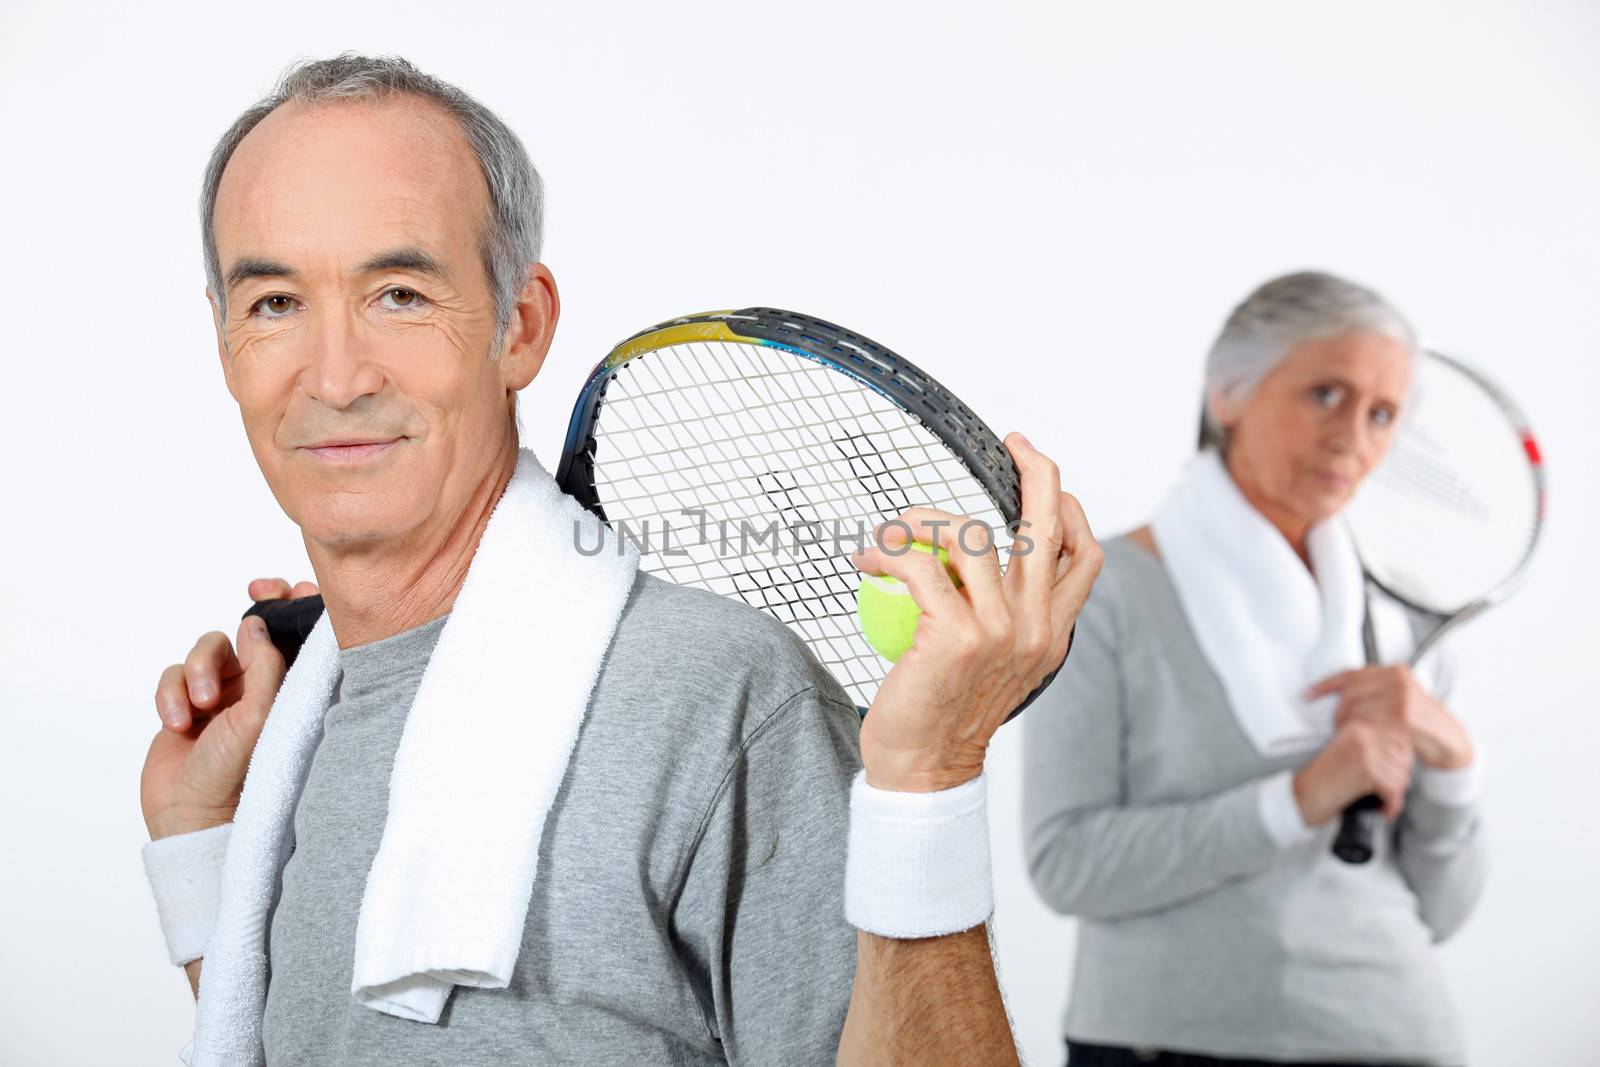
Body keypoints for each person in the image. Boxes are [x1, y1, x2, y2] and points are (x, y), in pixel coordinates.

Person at [136, 52, 1102, 1067]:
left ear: (521, 325)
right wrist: (208, 844)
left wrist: (926, 780)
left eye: (400, 293)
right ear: (223, 339)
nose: (335, 375)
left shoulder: (717, 694)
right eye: (276, 302)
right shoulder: (297, 722)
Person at [1023, 271, 1488, 1067]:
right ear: (1228, 393)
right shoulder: (1106, 593)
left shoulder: (1401, 623)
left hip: (1398, 1038)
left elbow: (1440, 912)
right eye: (1325, 395)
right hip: (1166, 1043)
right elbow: (1067, 865)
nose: (1355, 438)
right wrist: (1301, 796)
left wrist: (1455, 769)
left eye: (1382, 414)